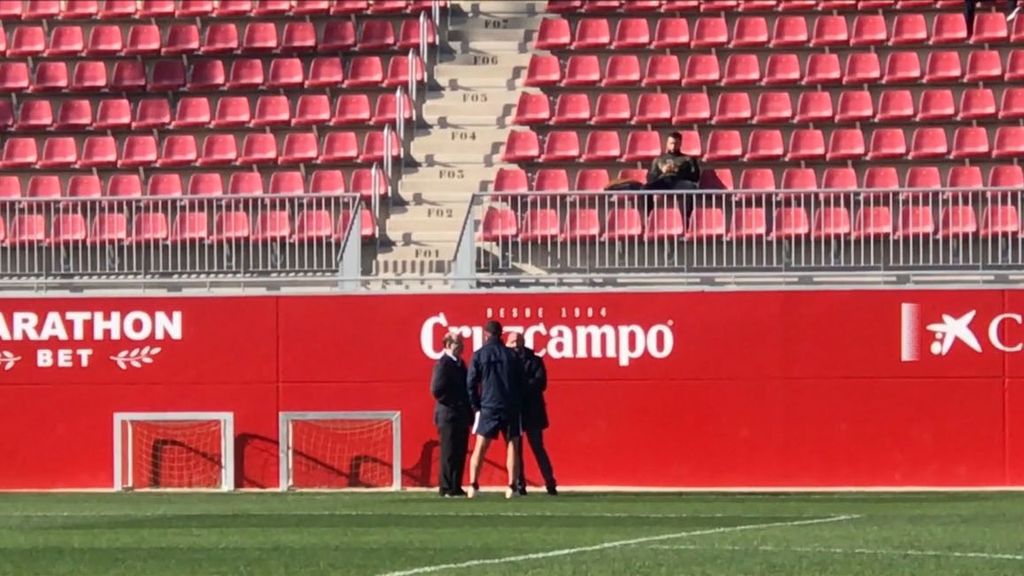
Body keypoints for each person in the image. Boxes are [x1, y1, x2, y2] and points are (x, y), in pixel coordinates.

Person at [466, 320, 525, 499]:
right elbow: (521, 382)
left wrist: (476, 405)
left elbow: (470, 383)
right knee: (512, 445)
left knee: (480, 446)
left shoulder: (479, 355)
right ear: (501, 335)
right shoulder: (512, 355)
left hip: (488, 406)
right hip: (510, 406)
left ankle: (473, 485)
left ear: (486, 334)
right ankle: (511, 486)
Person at [508, 332, 557, 496]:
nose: (515, 345)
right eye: (512, 342)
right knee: (516, 449)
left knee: (537, 447)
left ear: (523, 342)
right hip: (515, 411)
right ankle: (520, 484)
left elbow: (540, 382)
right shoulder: (506, 361)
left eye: (518, 341)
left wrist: (521, 387)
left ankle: (550, 482)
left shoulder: (534, 360)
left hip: (532, 411)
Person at [430, 333, 471, 498]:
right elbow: (437, 389)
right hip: (448, 415)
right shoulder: (443, 364)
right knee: (448, 452)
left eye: (462, 343)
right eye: (457, 343)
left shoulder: (461, 364)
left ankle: (456, 485)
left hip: (461, 415)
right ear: (447, 344)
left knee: (460, 451)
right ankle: (446, 487)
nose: (461, 346)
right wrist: (456, 402)